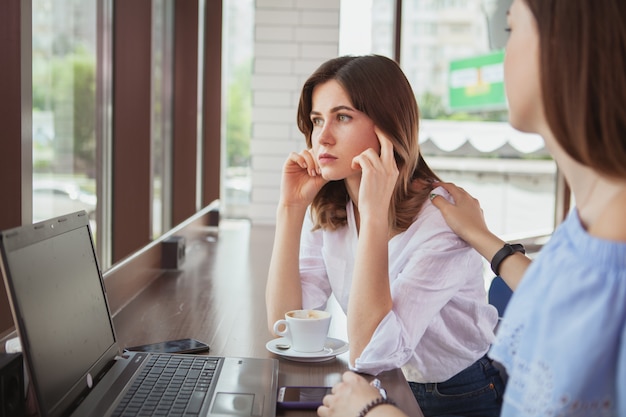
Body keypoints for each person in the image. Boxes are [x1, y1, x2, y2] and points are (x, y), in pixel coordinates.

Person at [318, 0, 626, 416]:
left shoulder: (611, 258)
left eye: (512, 30)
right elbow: (566, 303)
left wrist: (371, 410)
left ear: (565, 47)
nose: (502, 56)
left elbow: (372, 350)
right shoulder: (584, 229)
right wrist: (483, 237)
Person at [265, 54, 505, 417]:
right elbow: (286, 324)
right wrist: (290, 209)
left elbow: (370, 352)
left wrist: (375, 215)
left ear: (388, 128)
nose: (323, 137)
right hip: (387, 384)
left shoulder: (441, 216)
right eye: (317, 120)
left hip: (460, 393)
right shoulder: (336, 207)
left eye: (342, 117)